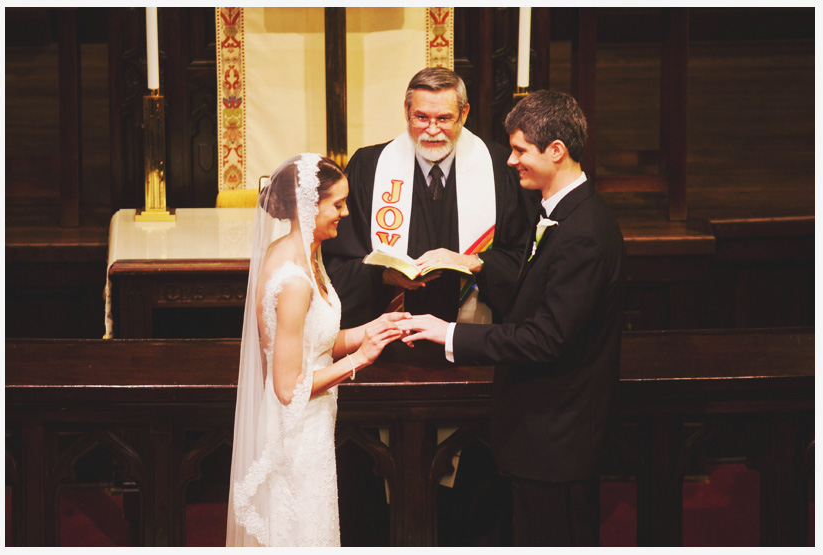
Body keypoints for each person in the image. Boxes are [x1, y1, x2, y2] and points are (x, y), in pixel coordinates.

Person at [397, 90, 627, 546]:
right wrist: (476, 263)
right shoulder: (561, 215)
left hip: (558, 439)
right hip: (542, 436)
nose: (511, 160)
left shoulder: (583, 233)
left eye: (521, 150)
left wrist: (450, 334)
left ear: (556, 150)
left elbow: (546, 339)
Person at [226, 153, 409, 546]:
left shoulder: (308, 253)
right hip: (297, 435)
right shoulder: (293, 279)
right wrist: (360, 360)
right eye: (337, 204)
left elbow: (319, 343)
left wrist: (372, 329)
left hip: (317, 424)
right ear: (309, 205)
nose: (345, 213)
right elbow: (288, 388)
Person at [324, 68, 537, 346]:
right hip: (386, 348)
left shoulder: (501, 167)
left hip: (475, 346)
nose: (432, 130)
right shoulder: (369, 168)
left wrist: (474, 262)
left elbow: (526, 260)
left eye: (444, 118)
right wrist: (384, 276)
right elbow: (335, 260)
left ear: (464, 113)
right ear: (406, 111)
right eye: (421, 117)